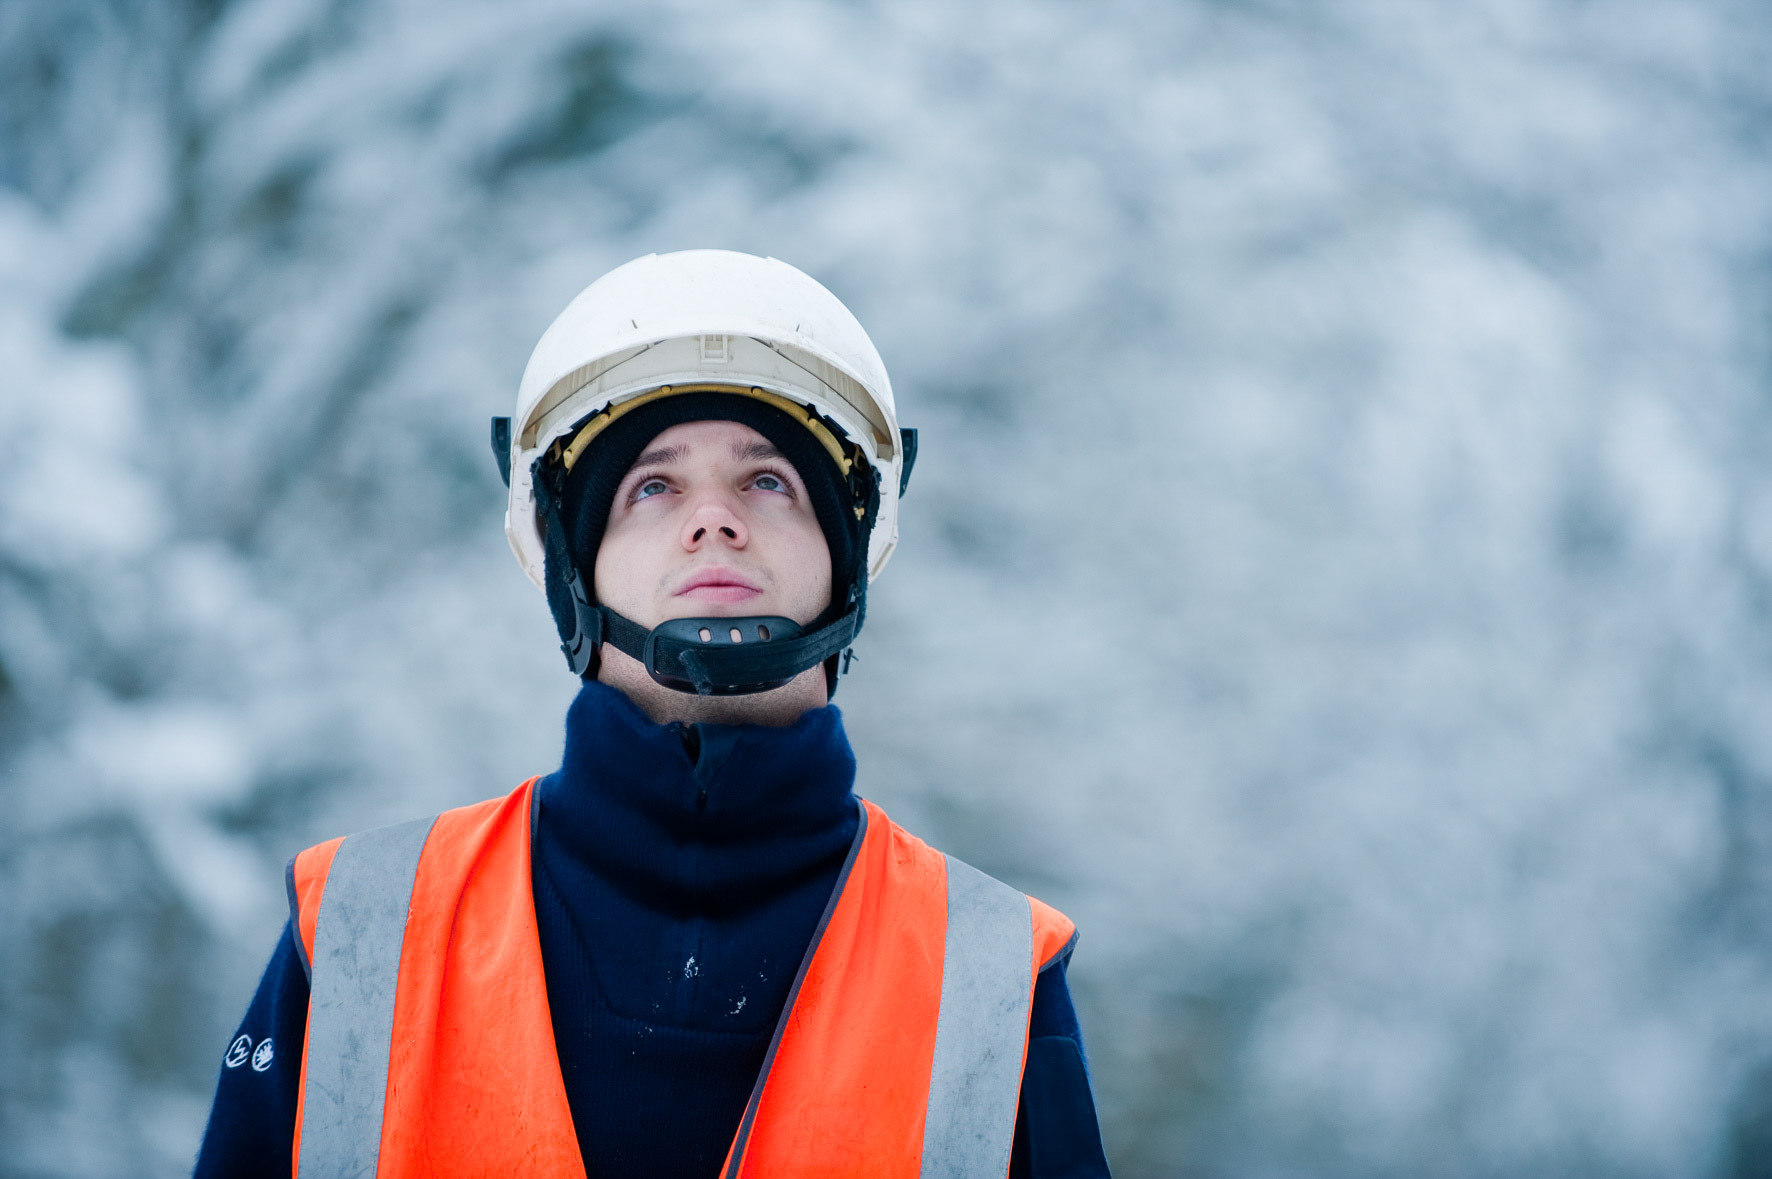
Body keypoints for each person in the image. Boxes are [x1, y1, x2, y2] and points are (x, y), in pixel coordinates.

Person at [194, 250, 1111, 1177]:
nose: (714, 520)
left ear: (846, 554)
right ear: (574, 568)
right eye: (653, 486)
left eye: (768, 482)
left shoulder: (993, 977)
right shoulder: (361, 929)